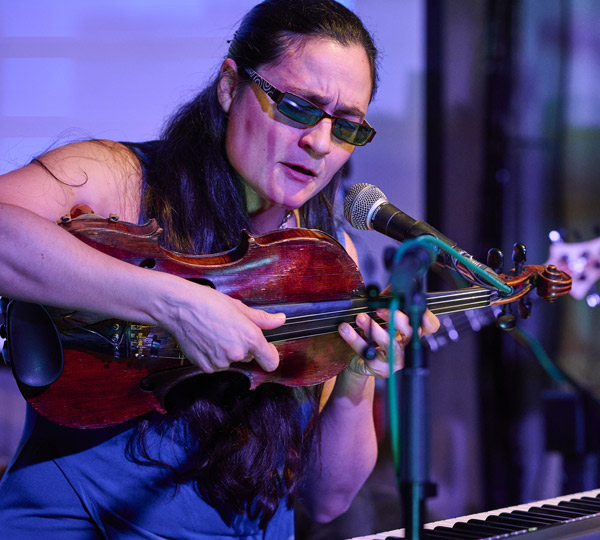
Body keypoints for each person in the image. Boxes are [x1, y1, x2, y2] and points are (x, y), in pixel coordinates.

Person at [0, 0, 439, 538]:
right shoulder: (119, 178)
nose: (320, 143)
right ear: (231, 87)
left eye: (347, 126)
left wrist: (358, 372)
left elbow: (327, 500)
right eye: (298, 106)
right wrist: (172, 302)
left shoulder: (330, 256)